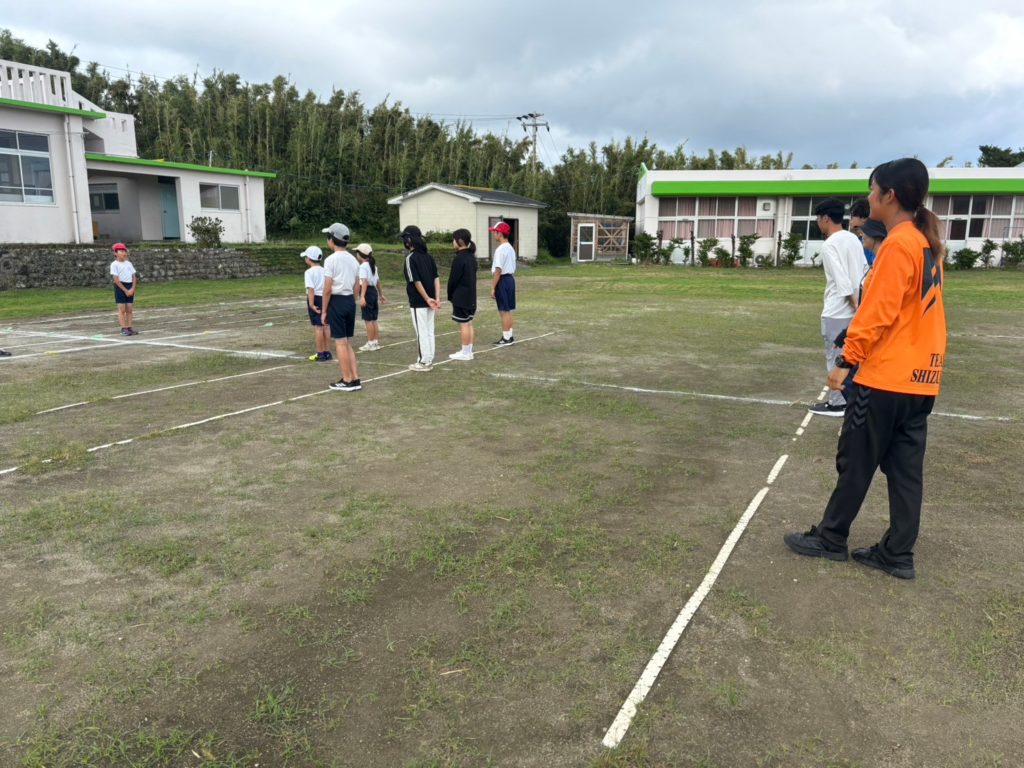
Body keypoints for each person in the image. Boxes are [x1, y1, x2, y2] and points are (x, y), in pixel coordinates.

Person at [784, 158, 947, 580]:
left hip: (887, 377)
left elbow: (877, 312)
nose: (868, 198)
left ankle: (831, 537)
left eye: (872, 191)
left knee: (855, 459)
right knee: (906, 470)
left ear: (889, 196)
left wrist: (845, 361)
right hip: (921, 379)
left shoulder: (898, 244)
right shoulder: (926, 243)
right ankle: (898, 552)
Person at [808, 198, 868, 417]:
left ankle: (837, 403)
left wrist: (855, 304)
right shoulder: (853, 239)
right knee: (851, 357)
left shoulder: (830, 244)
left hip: (837, 311)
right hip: (855, 309)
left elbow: (841, 280)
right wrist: (861, 305)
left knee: (835, 357)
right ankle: (847, 400)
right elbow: (865, 271)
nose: (818, 223)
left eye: (817, 219)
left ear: (825, 218)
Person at [320, 223, 362, 391]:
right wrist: (351, 300)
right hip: (349, 301)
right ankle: (355, 377)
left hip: (337, 301)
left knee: (340, 343)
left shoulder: (330, 260)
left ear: (332, 239)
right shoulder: (353, 259)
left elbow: (327, 288)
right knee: (347, 342)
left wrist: (324, 310)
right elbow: (356, 287)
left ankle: (346, 380)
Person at [400, 225, 441, 371]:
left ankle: (424, 361)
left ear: (409, 240)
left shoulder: (410, 258)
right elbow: (436, 278)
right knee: (429, 330)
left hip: (419, 302)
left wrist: (427, 298)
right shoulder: (428, 257)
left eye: (405, 238)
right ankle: (428, 358)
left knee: (421, 331)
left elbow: (415, 281)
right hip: (430, 301)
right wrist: (435, 297)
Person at [447, 228, 478, 361]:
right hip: (471, 296)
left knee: (464, 324)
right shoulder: (472, 257)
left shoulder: (459, 258)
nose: (452, 242)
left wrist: (450, 295)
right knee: (469, 323)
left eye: (453, 240)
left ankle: (465, 353)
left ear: (459, 241)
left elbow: (453, 280)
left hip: (461, 297)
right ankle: (468, 350)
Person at [301, 246, 331, 362]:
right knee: (326, 326)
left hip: (316, 299)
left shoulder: (308, 272)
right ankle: (327, 352)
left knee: (318, 327)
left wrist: (312, 304)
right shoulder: (325, 270)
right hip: (326, 298)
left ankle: (320, 353)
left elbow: (311, 289)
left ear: (309, 258)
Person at [354, 243, 386, 352]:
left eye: (357, 252)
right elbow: (377, 281)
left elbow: (364, 282)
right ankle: (375, 342)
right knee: (374, 319)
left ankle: (370, 342)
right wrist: (381, 294)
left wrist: (362, 296)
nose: (356, 255)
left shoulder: (363, 266)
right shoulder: (373, 266)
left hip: (367, 292)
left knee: (368, 320)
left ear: (361, 254)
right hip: (373, 292)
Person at [489, 221, 517, 345]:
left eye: (495, 232)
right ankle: (509, 335)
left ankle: (506, 338)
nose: (494, 234)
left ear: (500, 234)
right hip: (510, 279)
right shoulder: (510, 247)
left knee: (503, 310)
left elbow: (498, 270)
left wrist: (493, 287)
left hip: (503, 280)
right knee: (507, 310)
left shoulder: (500, 249)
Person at [110, 243, 139, 336]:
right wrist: (126, 291)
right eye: (121, 251)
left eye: (124, 251)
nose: (124, 253)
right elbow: (116, 279)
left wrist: (132, 289)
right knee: (122, 310)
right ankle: (124, 328)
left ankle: (129, 327)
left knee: (129, 309)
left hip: (130, 286)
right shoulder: (114, 264)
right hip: (120, 287)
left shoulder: (129, 263)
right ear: (115, 253)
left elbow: (134, 277)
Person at [849, 197, 876, 265]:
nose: (850, 221)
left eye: (852, 217)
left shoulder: (874, 239)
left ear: (863, 218)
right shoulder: (860, 239)